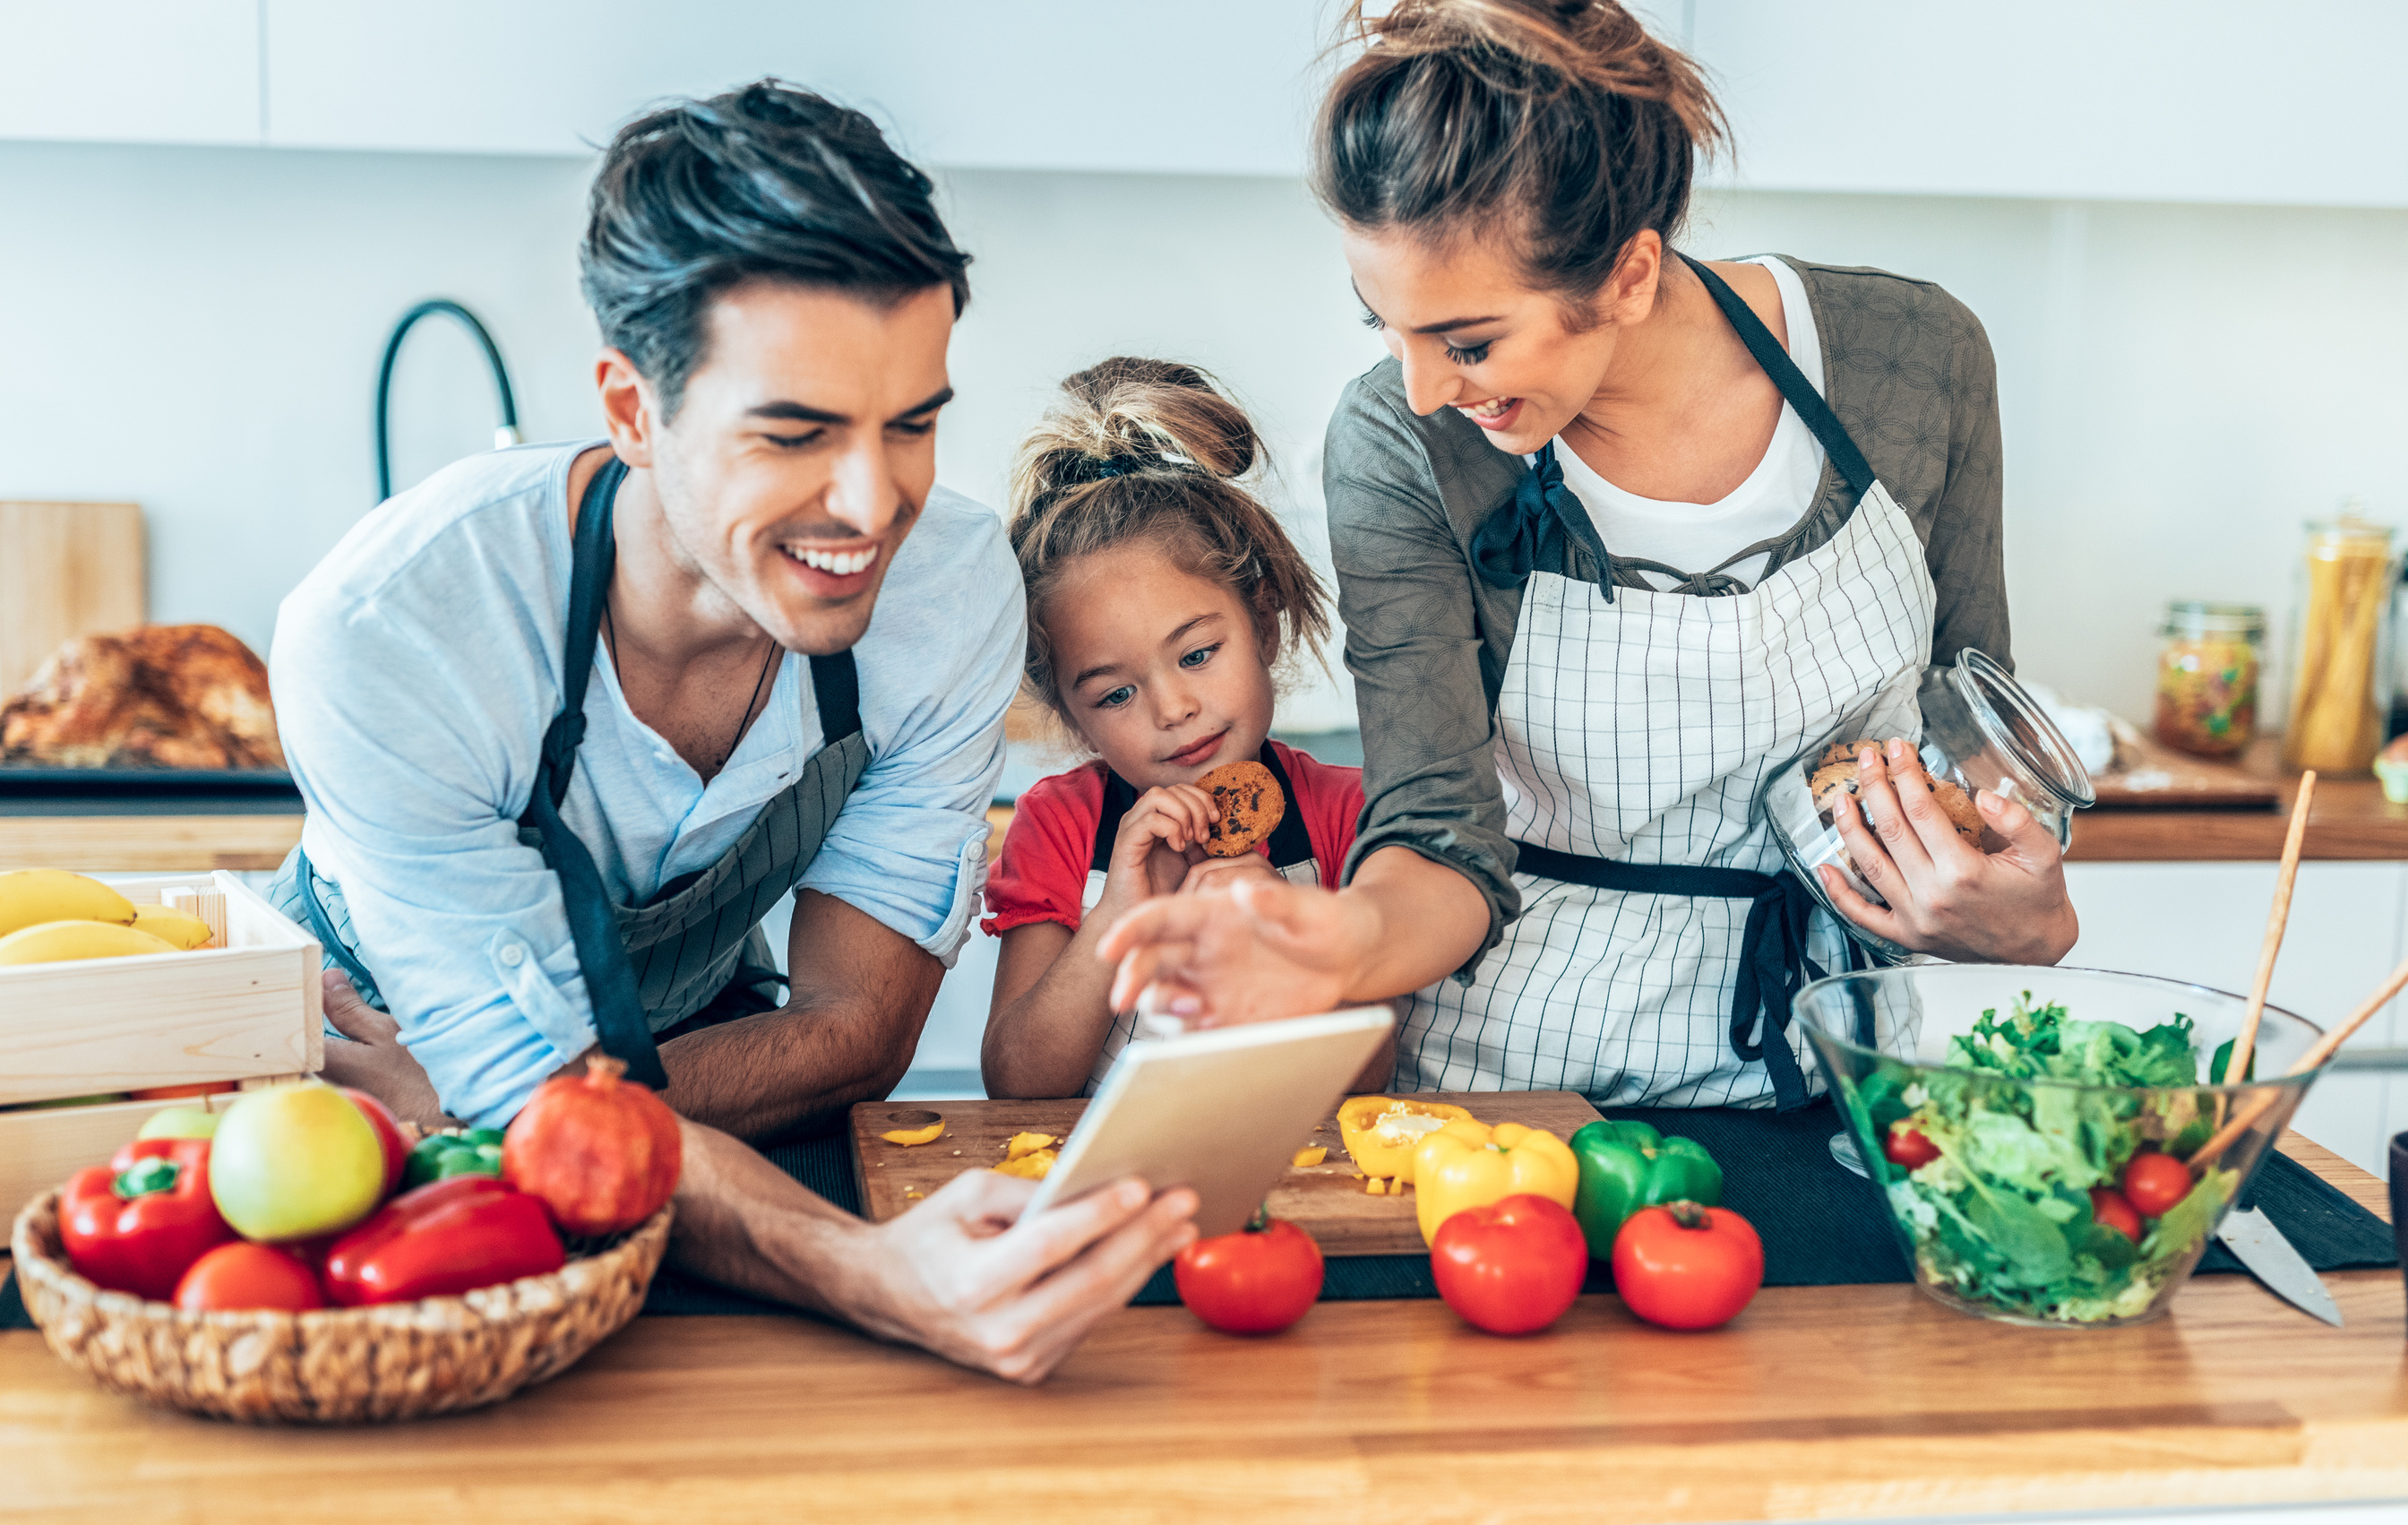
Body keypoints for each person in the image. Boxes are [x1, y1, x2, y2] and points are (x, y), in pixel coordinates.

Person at [265, 82, 1194, 1382]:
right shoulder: (398, 632)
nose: (874, 502)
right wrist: (876, 1272)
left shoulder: (949, 592)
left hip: (661, 1087)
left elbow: (856, 1026)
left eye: (914, 422)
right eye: (796, 432)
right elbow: (527, 1101)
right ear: (633, 411)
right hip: (352, 1107)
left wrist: (512, 1108)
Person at [1100, 0, 2077, 1111]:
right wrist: (1341, 941)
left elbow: (1974, 732)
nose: (1421, 389)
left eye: (1467, 343)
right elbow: (1437, 831)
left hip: (1838, 1063)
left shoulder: (1916, 361)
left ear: (1627, 273)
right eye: (1383, 322)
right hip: (1513, 1083)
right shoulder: (1399, 444)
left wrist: (2026, 910)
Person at [976, 358, 1381, 1099]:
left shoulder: (1346, 813)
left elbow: (1373, 1075)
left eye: (1197, 654)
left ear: (1262, 622)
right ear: (1071, 714)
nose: (1171, 709)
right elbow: (1017, 1083)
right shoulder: (1061, 826)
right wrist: (1117, 917)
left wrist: (1296, 938)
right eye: (1115, 694)